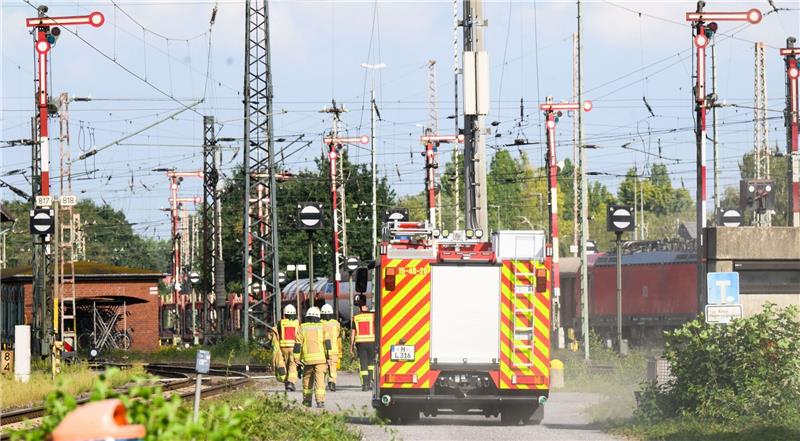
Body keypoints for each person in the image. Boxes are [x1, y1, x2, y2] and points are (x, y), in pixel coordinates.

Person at [294, 306, 330, 408]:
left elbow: (297, 344)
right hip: (321, 359)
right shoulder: (323, 327)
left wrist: (296, 358)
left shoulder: (302, 327)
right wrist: (329, 358)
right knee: (320, 380)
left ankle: (307, 401)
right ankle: (320, 401)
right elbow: (327, 344)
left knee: (307, 380)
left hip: (308, 360)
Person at [350, 294, 376, 391]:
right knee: (371, 364)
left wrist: (351, 346)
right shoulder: (373, 315)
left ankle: (365, 384)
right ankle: (371, 381)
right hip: (372, 342)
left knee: (363, 364)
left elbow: (353, 333)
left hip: (361, 343)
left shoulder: (356, 317)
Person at [278, 304, 299, 391]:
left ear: (285, 314)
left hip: (283, 347)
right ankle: (291, 382)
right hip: (293, 347)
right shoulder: (297, 323)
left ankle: (286, 382)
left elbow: (276, 334)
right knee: (292, 364)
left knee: (286, 365)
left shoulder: (281, 323)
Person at [320, 303, 341, 392]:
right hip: (333, 349)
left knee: (323, 367)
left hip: (322, 349)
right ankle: (332, 382)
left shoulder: (320, 324)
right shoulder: (336, 323)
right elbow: (338, 334)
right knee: (332, 367)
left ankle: (322, 384)